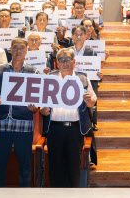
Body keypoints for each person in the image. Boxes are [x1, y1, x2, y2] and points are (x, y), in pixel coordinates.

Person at [0, 38, 39, 187]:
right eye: (15, 47)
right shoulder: (0, 69)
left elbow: (38, 100)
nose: (18, 51)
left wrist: (34, 107)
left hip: (24, 125)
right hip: (2, 124)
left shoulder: (33, 72)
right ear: (10, 49)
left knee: (25, 166)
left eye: (21, 48)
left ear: (26, 51)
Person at [40, 48, 96, 187]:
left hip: (75, 130)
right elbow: (40, 104)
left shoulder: (83, 78)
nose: (64, 63)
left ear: (74, 62)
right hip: (54, 129)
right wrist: (42, 110)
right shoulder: (50, 78)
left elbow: (93, 101)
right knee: (55, 168)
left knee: (74, 168)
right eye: (61, 60)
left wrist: (89, 100)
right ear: (57, 63)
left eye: (67, 60)